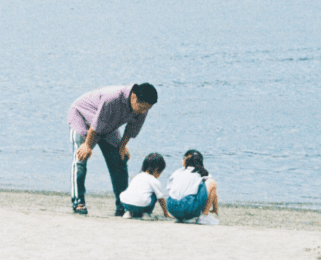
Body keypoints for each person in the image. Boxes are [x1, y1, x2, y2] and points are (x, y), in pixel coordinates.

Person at [68, 81, 159, 216]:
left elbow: (131, 129)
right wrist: (87, 145)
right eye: (142, 107)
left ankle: (122, 205)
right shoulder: (112, 98)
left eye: (147, 109)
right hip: (84, 118)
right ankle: (78, 202)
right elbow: (96, 124)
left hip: (107, 125)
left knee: (120, 160)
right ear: (134, 97)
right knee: (81, 157)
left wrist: (122, 147)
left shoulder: (143, 108)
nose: (144, 112)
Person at [165, 149, 219, 225]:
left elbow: (169, 189)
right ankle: (204, 215)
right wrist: (215, 208)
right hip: (188, 208)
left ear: (185, 160)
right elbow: (212, 189)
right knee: (211, 182)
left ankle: (181, 218)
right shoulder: (201, 173)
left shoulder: (177, 172)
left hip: (171, 207)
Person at [119, 153, 168, 219]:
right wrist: (166, 213)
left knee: (134, 193)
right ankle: (146, 213)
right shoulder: (153, 180)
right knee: (155, 194)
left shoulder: (137, 176)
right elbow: (161, 199)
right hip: (141, 206)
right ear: (157, 169)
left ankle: (129, 212)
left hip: (125, 203)